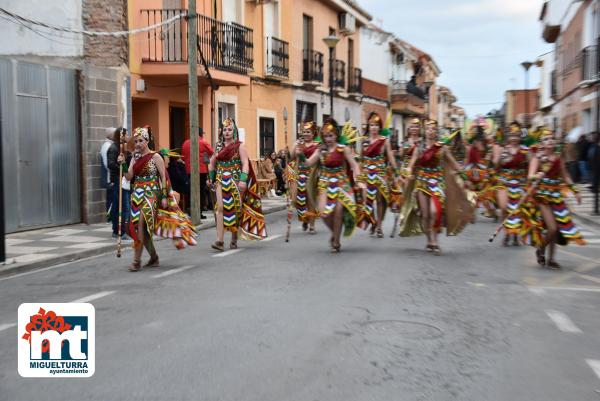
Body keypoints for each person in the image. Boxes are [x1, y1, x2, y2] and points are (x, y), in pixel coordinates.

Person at [401, 119, 472, 255]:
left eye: (433, 129)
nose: (431, 131)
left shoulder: (442, 147)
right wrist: (408, 173)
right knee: (426, 214)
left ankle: (435, 240)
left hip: (437, 183)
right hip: (422, 183)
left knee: (435, 212)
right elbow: (411, 165)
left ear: (436, 132)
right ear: (425, 131)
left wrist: (464, 178)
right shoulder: (419, 147)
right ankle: (429, 239)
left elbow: (454, 164)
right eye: (428, 129)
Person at [523, 129, 585, 269]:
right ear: (542, 144)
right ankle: (540, 248)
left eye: (551, 138)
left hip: (556, 197)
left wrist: (576, 191)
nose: (549, 141)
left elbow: (565, 176)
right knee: (552, 228)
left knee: (557, 229)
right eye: (546, 139)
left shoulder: (558, 158)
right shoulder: (537, 158)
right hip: (542, 197)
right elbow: (529, 176)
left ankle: (551, 259)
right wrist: (536, 176)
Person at [303, 119, 365, 252]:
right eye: (325, 136)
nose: (328, 138)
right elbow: (308, 163)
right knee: (323, 213)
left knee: (338, 212)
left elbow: (354, 165)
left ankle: (336, 240)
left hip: (341, 183)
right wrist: (299, 154)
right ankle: (334, 233)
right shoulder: (320, 150)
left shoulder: (344, 149)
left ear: (336, 135)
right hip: (325, 183)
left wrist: (359, 180)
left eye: (331, 135)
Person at [207, 118, 267, 251]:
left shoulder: (239, 146)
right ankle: (220, 241)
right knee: (220, 208)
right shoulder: (218, 146)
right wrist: (210, 178)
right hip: (220, 180)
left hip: (235, 180)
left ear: (234, 131)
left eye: (229, 129)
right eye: (225, 130)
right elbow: (211, 164)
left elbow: (245, 163)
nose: (227, 132)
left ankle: (234, 238)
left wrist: (243, 180)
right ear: (221, 132)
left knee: (236, 210)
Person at [356, 112, 399, 238]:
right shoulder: (364, 141)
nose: (373, 127)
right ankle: (373, 221)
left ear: (379, 127)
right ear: (368, 127)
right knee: (366, 200)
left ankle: (379, 226)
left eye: (376, 125)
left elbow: (390, 157)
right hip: (366, 173)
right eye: (371, 125)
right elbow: (361, 158)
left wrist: (396, 174)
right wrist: (358, 175)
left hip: (380, 173)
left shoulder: (384, 141)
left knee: (380, 201)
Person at [492, 122, 529, 246]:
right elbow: (496, 167)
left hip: (519, 183)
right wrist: (499, 158)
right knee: (504, 208)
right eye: (512, 135)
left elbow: (530, 167)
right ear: (508, 137)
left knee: (517, 210)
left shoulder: (525, 151)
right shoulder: (503, 149)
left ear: (520, 136)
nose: (514, 138)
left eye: (516, 135)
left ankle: (515, 233)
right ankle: (507, 232)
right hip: (504, 182)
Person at [290, 121, 320, 233]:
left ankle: (312, 225)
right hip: (300, 175)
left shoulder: (317, 146)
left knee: (311, 201)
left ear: (313, 134)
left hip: (312, 175)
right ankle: (305, 218)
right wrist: (294, 147)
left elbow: (316, 160)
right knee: (299, 200)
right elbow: (291, 157)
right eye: (304, 132)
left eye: (308, 132)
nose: (306, 134)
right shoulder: (299, 144)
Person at [181, 128, 214, 218]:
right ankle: (198, 212)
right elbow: (211, 152)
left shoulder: (185, 143)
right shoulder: (203, 142)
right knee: (201, 191)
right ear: (200, 134)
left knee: (192, 190)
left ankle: (191, 209)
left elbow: (183, 157)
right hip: (201, 170)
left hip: (188, 170)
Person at [107, 127, 131, 238]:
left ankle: (120, 230)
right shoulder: (113, 148)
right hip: (117, 181)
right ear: (121, 136)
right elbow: (110, 164)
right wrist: (120, 166)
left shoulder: (123, 148)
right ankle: (118, 231)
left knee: (123, 206)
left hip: (124, 181)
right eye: (126, 134)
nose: (128, 136)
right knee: (121, 207)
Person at [100, 129, 115, 218]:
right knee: (111, 198)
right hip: (110, 178)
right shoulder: (107, 146)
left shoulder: (110, 145)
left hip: (111, 177)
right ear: (111, 135)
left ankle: (111, 217)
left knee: (112, 198)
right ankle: (110, 218)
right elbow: (107, 163)